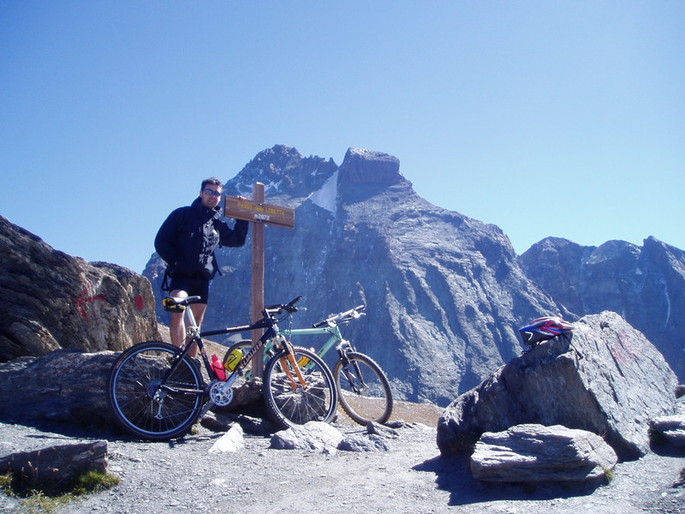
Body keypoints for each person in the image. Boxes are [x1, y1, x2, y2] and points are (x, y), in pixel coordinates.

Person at [155, 177, 248, 357]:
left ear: (220, 197)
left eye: (216, 193)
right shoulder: (181, 215)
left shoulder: (217, 224)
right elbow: (161, 241)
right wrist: (175, 261)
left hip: (202, 279)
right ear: (201, 193)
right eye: (209, 192)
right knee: (177, 309)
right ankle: (177, 356)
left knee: (195, 325)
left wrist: (242, 217)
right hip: (181, 275)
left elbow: (237, 240)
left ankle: (190, 365)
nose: (212, 196)